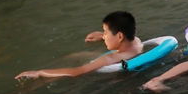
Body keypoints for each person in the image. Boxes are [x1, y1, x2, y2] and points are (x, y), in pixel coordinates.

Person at [15, 11, 143, 79]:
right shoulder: (137, 42)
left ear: (119, 36)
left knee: (75, 56)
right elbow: (122, 39)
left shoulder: (109, 58)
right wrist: (100, 35)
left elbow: (75, 72)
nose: (104, 36)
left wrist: (39, 72)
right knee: (79, 55)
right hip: (124, 55)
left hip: (113, 76)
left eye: (105, 32)